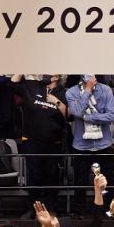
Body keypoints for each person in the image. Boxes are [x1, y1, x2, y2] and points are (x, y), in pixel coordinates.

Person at [11, 74, 68, 210]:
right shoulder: (33, 86)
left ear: (56, 77)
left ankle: (51, 208)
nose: (45, 74)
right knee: (34, 175)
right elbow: (13, 82)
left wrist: (56, 102)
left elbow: (69, 115)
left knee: (52, 175)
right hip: (32, 140)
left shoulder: (63, 92)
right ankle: (33, 208)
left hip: (53, 141)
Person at [66, 74, 114, 217]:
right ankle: (79, 213)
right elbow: (76, 112)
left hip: (103, 143)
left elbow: (110, 116)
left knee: (108, 180)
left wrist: (88, 117)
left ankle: (110, 210)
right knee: (80, 182)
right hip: (81, 145)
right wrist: (87, 90)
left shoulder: (106, 90)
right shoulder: (71, 92)